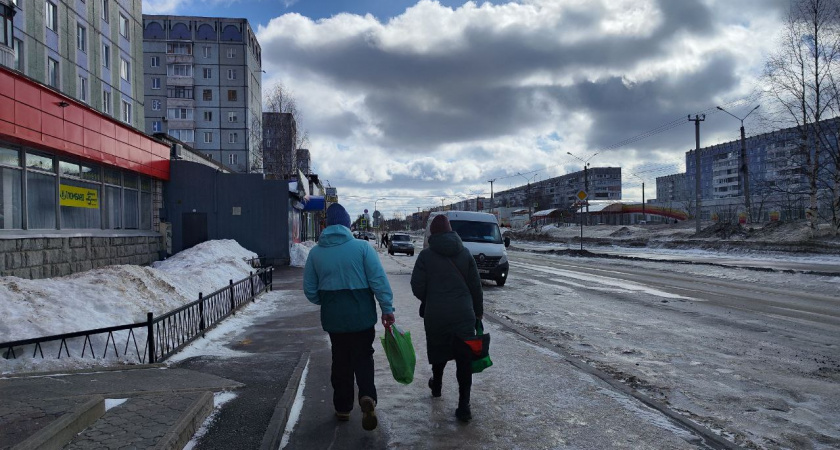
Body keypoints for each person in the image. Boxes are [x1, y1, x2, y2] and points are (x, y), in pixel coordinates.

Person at [303, 203, 396, 431]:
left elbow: (310, 289)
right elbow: (378, 281)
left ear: (326, 225)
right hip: (362, 317)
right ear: (346, 224)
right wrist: (387, 308)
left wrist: (327, 301)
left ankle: (343, 408)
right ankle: (367, 396)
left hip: (334, 320)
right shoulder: (362, 248)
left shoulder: (315, 252)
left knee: (340, 360)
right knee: (364, 356)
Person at [410, 215, 483, 422]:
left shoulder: (426, 256)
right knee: (464, 359)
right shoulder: (465, 253)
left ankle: (437, 386)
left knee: (439, 349)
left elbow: (417, 286)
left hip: (437, 315)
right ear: (451, 231)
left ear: (432, 233)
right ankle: (464, 406)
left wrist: (430, 298)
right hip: (463, 314)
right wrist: (478, 312)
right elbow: (476, 287)